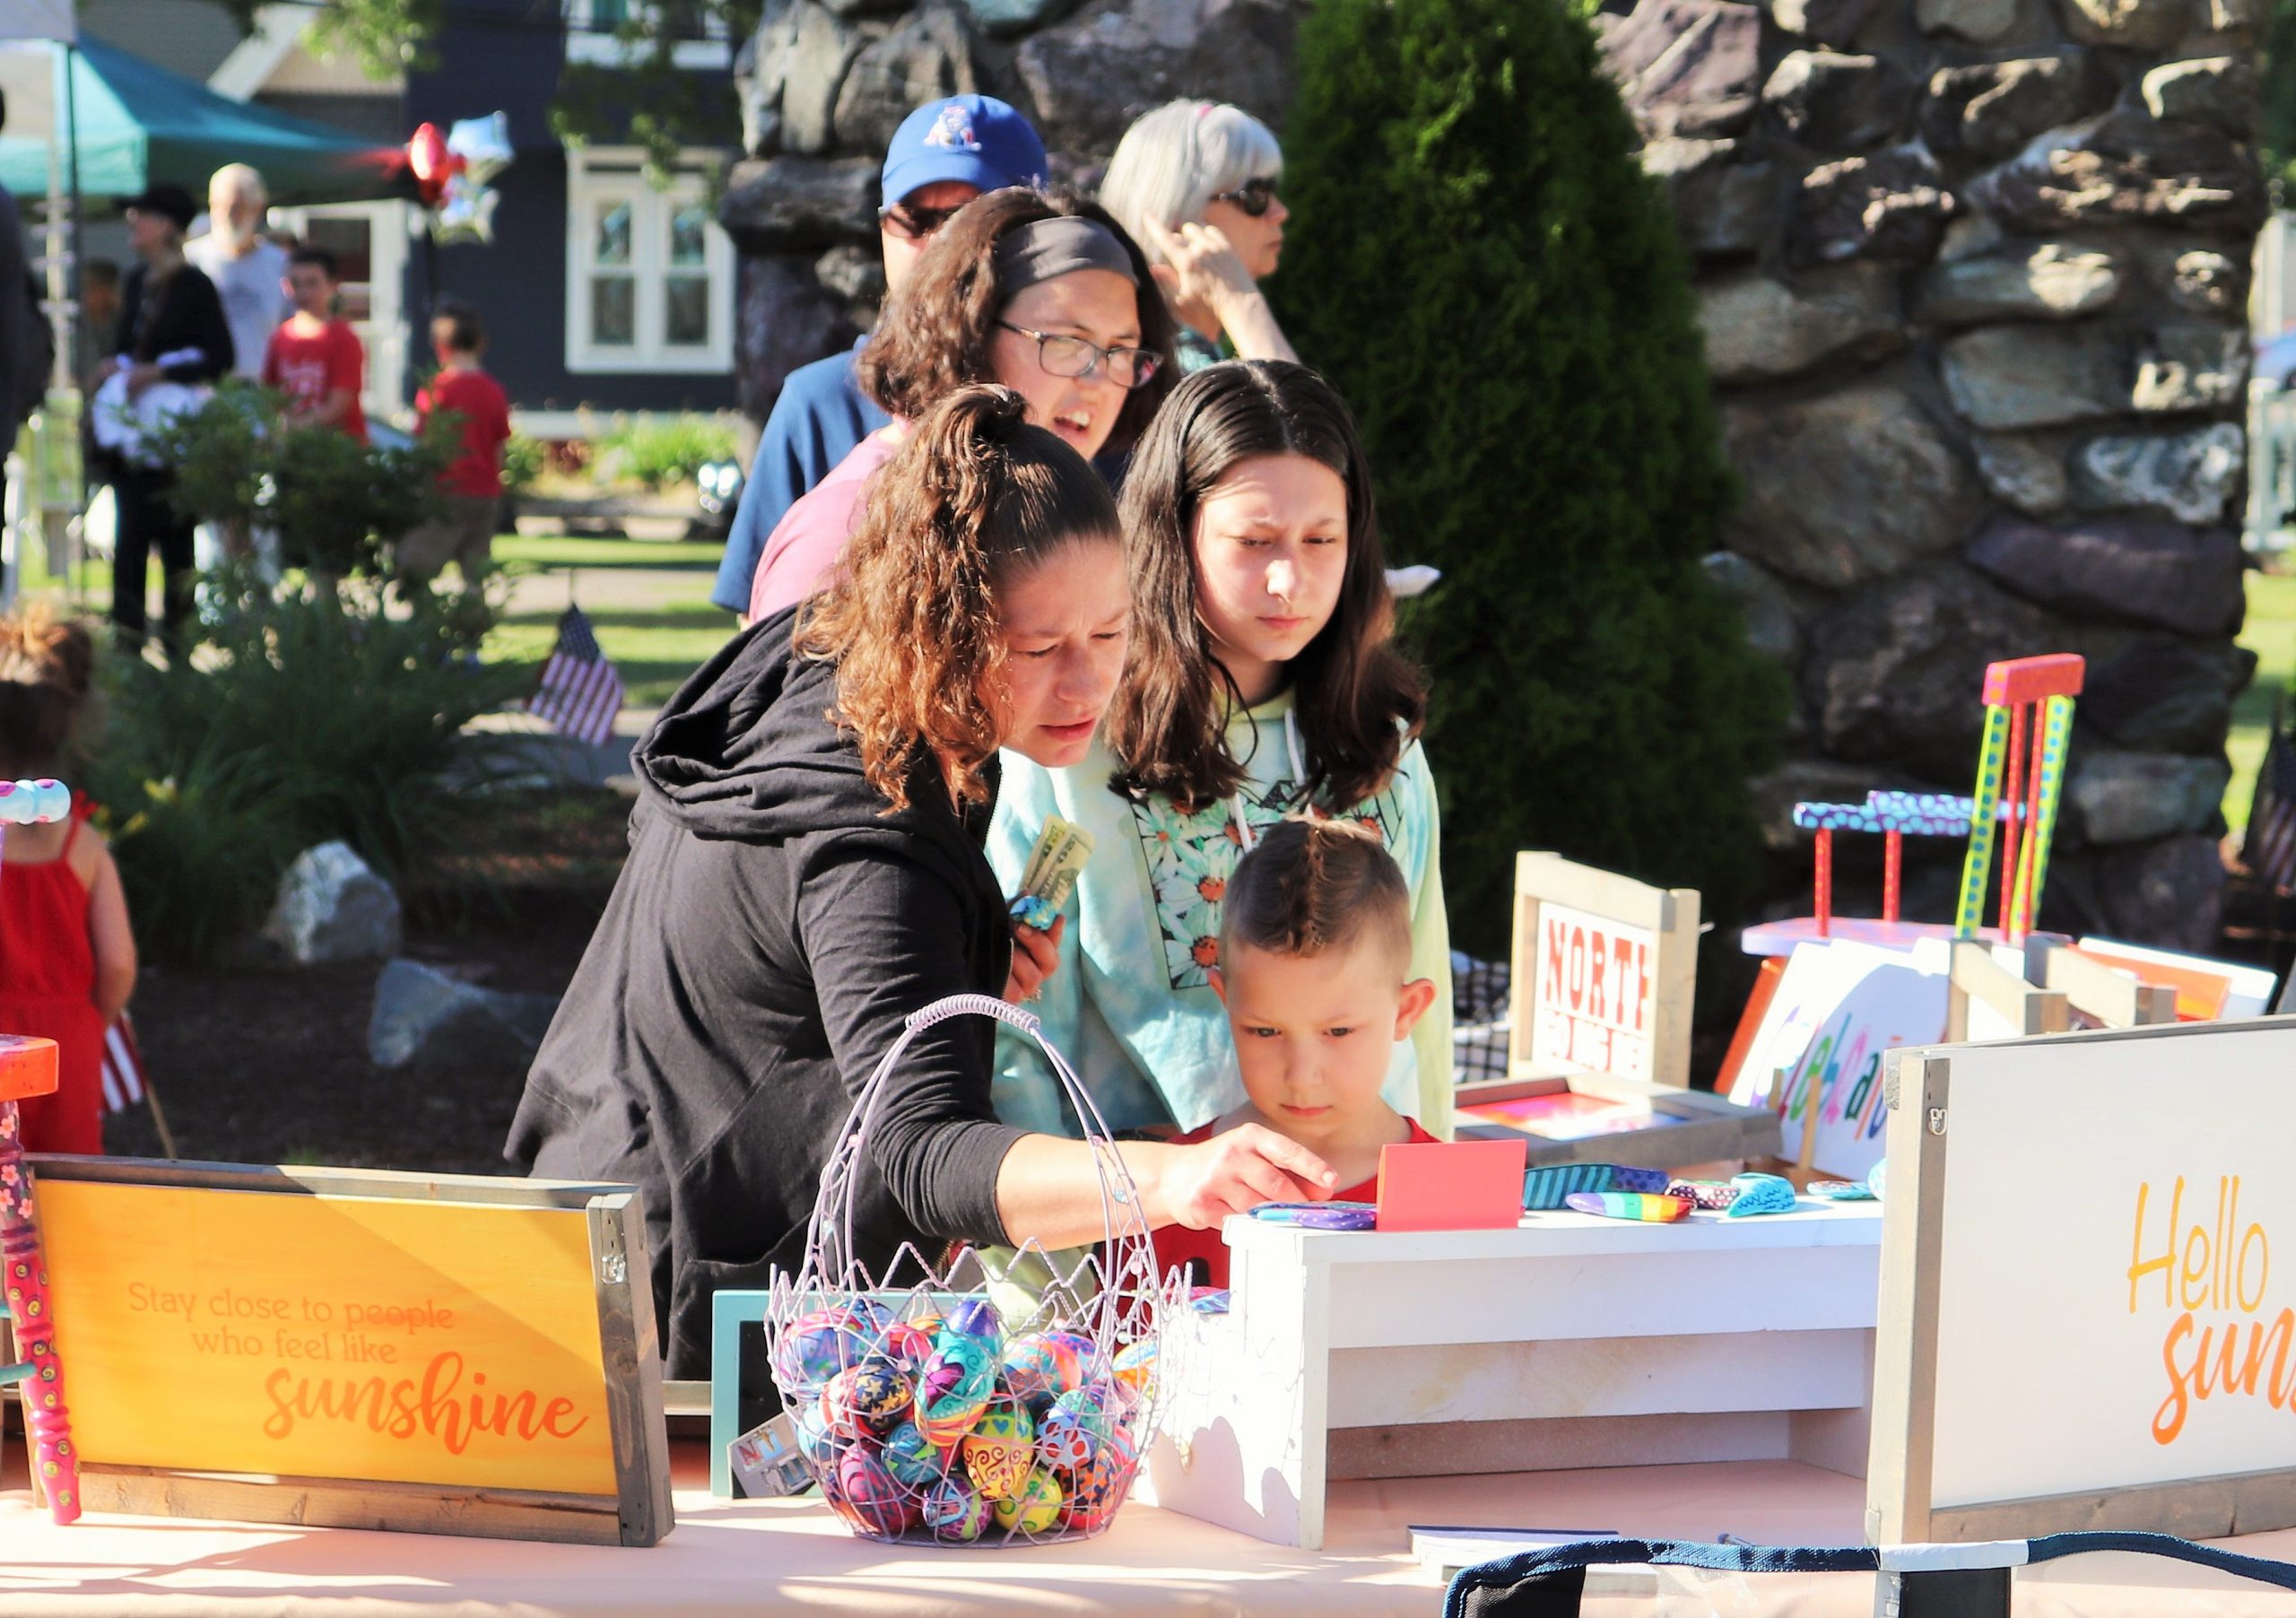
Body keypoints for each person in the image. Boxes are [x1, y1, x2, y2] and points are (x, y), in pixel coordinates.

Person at [508, 384, 1339, 1376]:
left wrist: (963, 959)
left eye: (1111, 635)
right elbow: (920, 1150)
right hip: (663, 1322)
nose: (1087, 686)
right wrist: (1171, 1179)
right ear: (942, 628)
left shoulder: (824, 656)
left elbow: (791, 964)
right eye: (1039, 648)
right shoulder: (871, 824)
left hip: (582, 1204)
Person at [987, 359, 1454, 1141]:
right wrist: (1047, 1251)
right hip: (1146, 1237)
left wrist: (1438, 1218)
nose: (1289, 579)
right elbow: (1018, 1017)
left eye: (1321, 539)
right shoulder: (1076, 744)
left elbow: (1424, 1003)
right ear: (1175, 533)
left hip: (1364, 1222)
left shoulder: (1385, 747)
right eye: (1254, 540)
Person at [744, 188, 1174, 622]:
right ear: (970, 334)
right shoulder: (847, 530)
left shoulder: (1073, 518)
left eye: (1122, 350)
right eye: (1066, 343)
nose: (1098, 378)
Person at [711, 94, 1049, 617]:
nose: (939, 243)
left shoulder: (1085, 397)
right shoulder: (820, 403)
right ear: (883, 229)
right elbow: (756, 632)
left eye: (966, 219)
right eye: (913, 219)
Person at [1152, 819, 1439, 1288]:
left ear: (1406, 1011)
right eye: (1265, 1030)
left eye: (1339, 1031)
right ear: (1227, 1004)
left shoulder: (1460, 1198)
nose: (1303, 1076)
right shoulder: (1170, 1193)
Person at [0, 608, 138, 1155]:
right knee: (71, 1183)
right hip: (66, 1042)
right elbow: (120, 963)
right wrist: (89, 1019)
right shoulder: (83, 845)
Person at [101, 183, 233, 648]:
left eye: (144, 215)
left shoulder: (195, 285)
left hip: (174, 438)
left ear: (168, 227)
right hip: (133, 436)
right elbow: (124, 348)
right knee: (130, 539)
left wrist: (159, 371)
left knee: (177, 541)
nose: (133, 222)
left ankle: (179, 643)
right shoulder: (137, 280)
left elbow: (219, 357)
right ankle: (128, 640)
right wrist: (115, 368)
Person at [1097, 100, 1298, 375]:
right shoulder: (1164, 370)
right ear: (1177, 215)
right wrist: (1238, 300)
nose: (1280, 212)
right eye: (1256, 195)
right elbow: (1291, 416)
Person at [398, 300, 511, 592]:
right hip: (485, 493)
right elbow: (500, 447)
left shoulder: (438, 389)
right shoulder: (494, 390)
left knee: (417, 567)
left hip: (445, 490)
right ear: (481, 343)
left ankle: (422, 626)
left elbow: (425, 443)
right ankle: (473, 626)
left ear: (440, 346)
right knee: (476, 572)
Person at [187, 164, 291, 385]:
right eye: (218, 206)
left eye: (236, 207)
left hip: (260, 389)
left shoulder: (280, 264)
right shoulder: (191, 261)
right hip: (204, 387)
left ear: (258, 209)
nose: (227, 215)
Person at [261, 245, 366, 440]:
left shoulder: (344, 339)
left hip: (336, 449)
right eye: (295, 283)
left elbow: (338, 405)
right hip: (294, 451)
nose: (303, 292)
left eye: (312, 283)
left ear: (333, 285)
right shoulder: (279, 338)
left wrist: (293, 429)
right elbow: (270, 397)